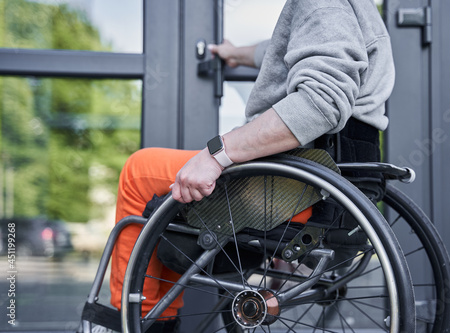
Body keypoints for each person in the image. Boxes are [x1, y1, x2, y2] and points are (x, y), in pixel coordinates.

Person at [110, 0, 395, 330]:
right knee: (180, 198)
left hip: (302, 193)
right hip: (330, 192)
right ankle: (153, 320)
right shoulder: (354, 10)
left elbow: (322, 102)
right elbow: (295, 46)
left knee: (140, 171)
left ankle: (125, 322)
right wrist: (239, 54)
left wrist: (217, 154)